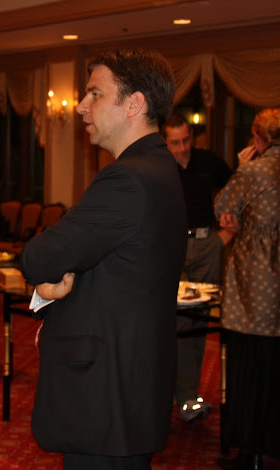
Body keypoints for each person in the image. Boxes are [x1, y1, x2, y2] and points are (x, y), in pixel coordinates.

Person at [21, 49, 187, 470]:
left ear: (134, 104)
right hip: (129, 379)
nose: (81, 105)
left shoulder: (127, 178)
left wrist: (51, 266)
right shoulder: (159, 167)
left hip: (107, 391)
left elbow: (39, 258)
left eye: (95, 93)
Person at [215, 108, 280, 470]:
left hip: (257, 294)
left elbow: (222, 206)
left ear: (257, 139)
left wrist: (242, 167)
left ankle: (253, 452)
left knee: (254, 373)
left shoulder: (252, 171)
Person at [162, 113, 232, 422]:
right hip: (173, 247)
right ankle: (179, 394)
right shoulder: (160, 167)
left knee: (199, 321)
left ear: (192, 137)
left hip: (206, 246)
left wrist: (225, 235)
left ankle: (187, 395)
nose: (182, 148)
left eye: (186, 140)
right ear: (165, 142)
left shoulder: (208, 162)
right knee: (177, 320)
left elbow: (238, 190)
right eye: (175, 143)